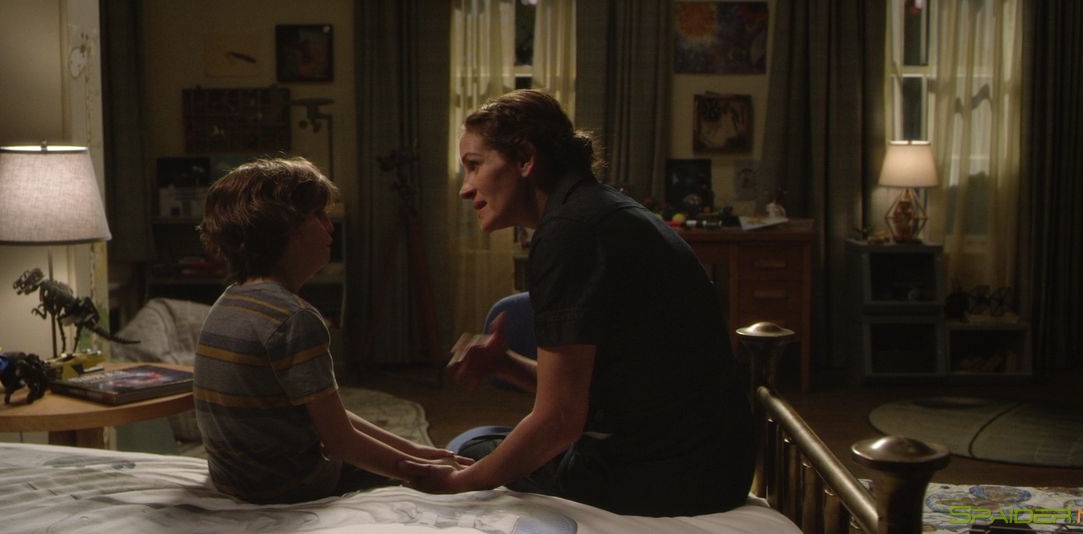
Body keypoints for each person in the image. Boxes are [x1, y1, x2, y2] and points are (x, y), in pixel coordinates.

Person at [400, 90, 755, 517]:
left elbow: (560, 420)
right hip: (713, 459)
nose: (465, 188)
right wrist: (505, 364)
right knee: (484, 445)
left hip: (672, 472)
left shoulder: (569, 233)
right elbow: (600, 390)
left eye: (474, 165)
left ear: (525, 159)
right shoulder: (594, 209)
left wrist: (459, 485)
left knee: (471, 453)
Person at [194, 157, 467, 504]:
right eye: (318, 216)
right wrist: (417, 470)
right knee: (442, 473)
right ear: (285, 230)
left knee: (409, 457)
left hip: (235, 481)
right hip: (289, 486)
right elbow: (340, 442)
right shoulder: (294, 318)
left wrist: (415, 450)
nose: (330, 227)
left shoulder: (229, 300)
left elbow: (326, 415)